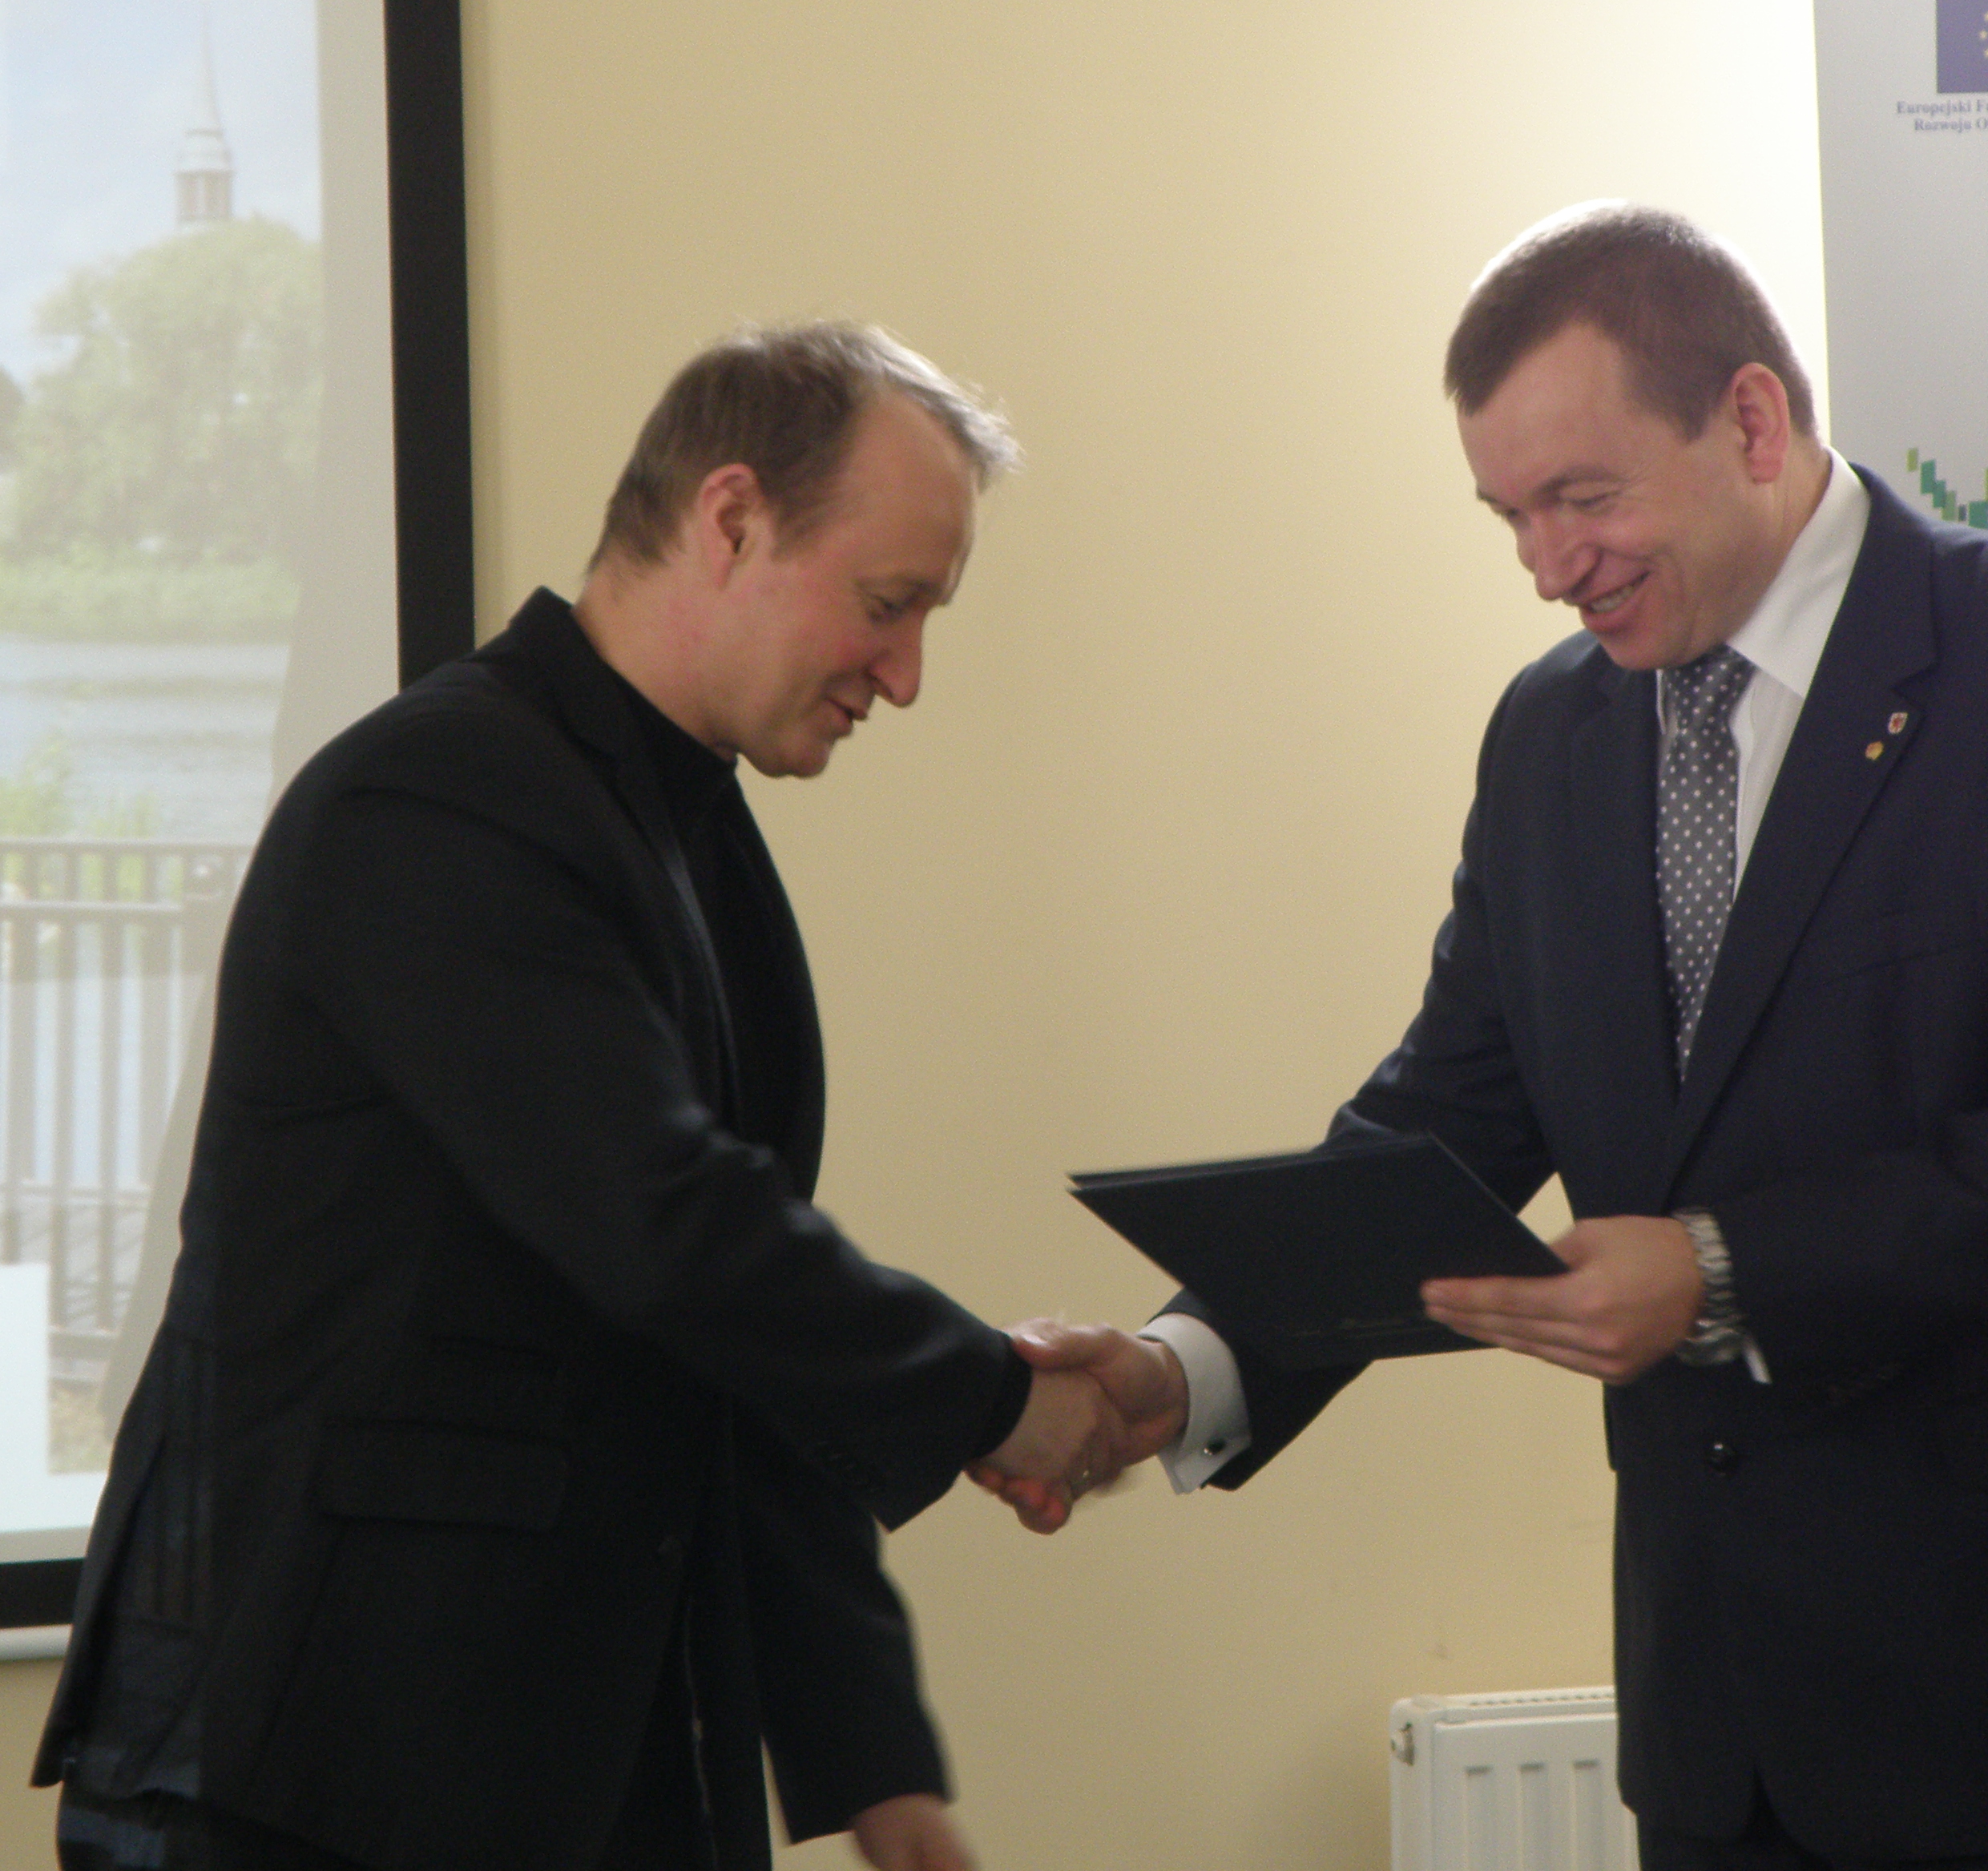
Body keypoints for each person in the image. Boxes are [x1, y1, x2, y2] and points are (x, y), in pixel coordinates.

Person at [1006, 205, 1988, 1869]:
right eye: (1509, 517)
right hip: (1728, 1733)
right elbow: (1448, 1120)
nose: (1548, 566)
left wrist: (1716, 1270)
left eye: (1584, 498)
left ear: (1752, 421)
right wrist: (1181, 1366)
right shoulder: (1549, 733)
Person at [37, 325, 1161, 1871]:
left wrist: (870, 1765)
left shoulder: (691, 836)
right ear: (731, 517)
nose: (904, 676)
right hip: (311, 1771)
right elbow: (667, 1229)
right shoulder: (436, 797)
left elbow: (725, 1341)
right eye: (887, 603)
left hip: (562, 1766)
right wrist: (998, 1398)